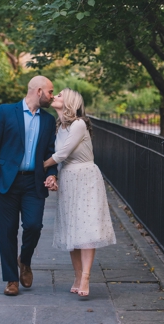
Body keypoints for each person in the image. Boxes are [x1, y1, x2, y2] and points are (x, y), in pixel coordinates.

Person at [0, 76, 58, 296]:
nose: (52, 96)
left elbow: (50, 153)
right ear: (38, 91)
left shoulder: (48, 120)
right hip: (5, 181)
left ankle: (24, 260)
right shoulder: (6, 112)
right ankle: (11, 279)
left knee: (34, 225)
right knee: (7, 231)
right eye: (50, 92)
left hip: (34, 181)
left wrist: (52, 174)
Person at [43, 88, 116, 298]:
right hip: (68, 177)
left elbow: (62, 153)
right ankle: (77, 275)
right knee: (72, 229)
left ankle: (85, 277)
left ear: (69, 102)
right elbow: (60, 158)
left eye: (59, 95)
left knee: (86, 229)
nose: (54, 96)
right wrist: (53, 176)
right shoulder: (60, 127)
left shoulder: (79, 124)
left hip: (85, 177)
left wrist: (39, 166)